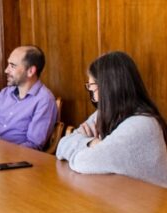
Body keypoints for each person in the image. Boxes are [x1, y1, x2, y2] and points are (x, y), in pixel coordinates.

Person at [56, 51, 167, 187]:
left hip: (152, 203)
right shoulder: (104, 113)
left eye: (92, 88)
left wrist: (89, 146)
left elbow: (83, 162)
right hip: (122, 195)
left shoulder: (141, 125)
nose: (93, 97)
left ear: (108, 89)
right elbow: (62, 145)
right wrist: (91, 143)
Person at [0, 46, 57, 150]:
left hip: (16, 160)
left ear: (30, 71)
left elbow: (33, 145)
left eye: (12, 66)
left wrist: (2, 153)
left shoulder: (45, 100)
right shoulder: (5, 93)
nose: (6, 70)